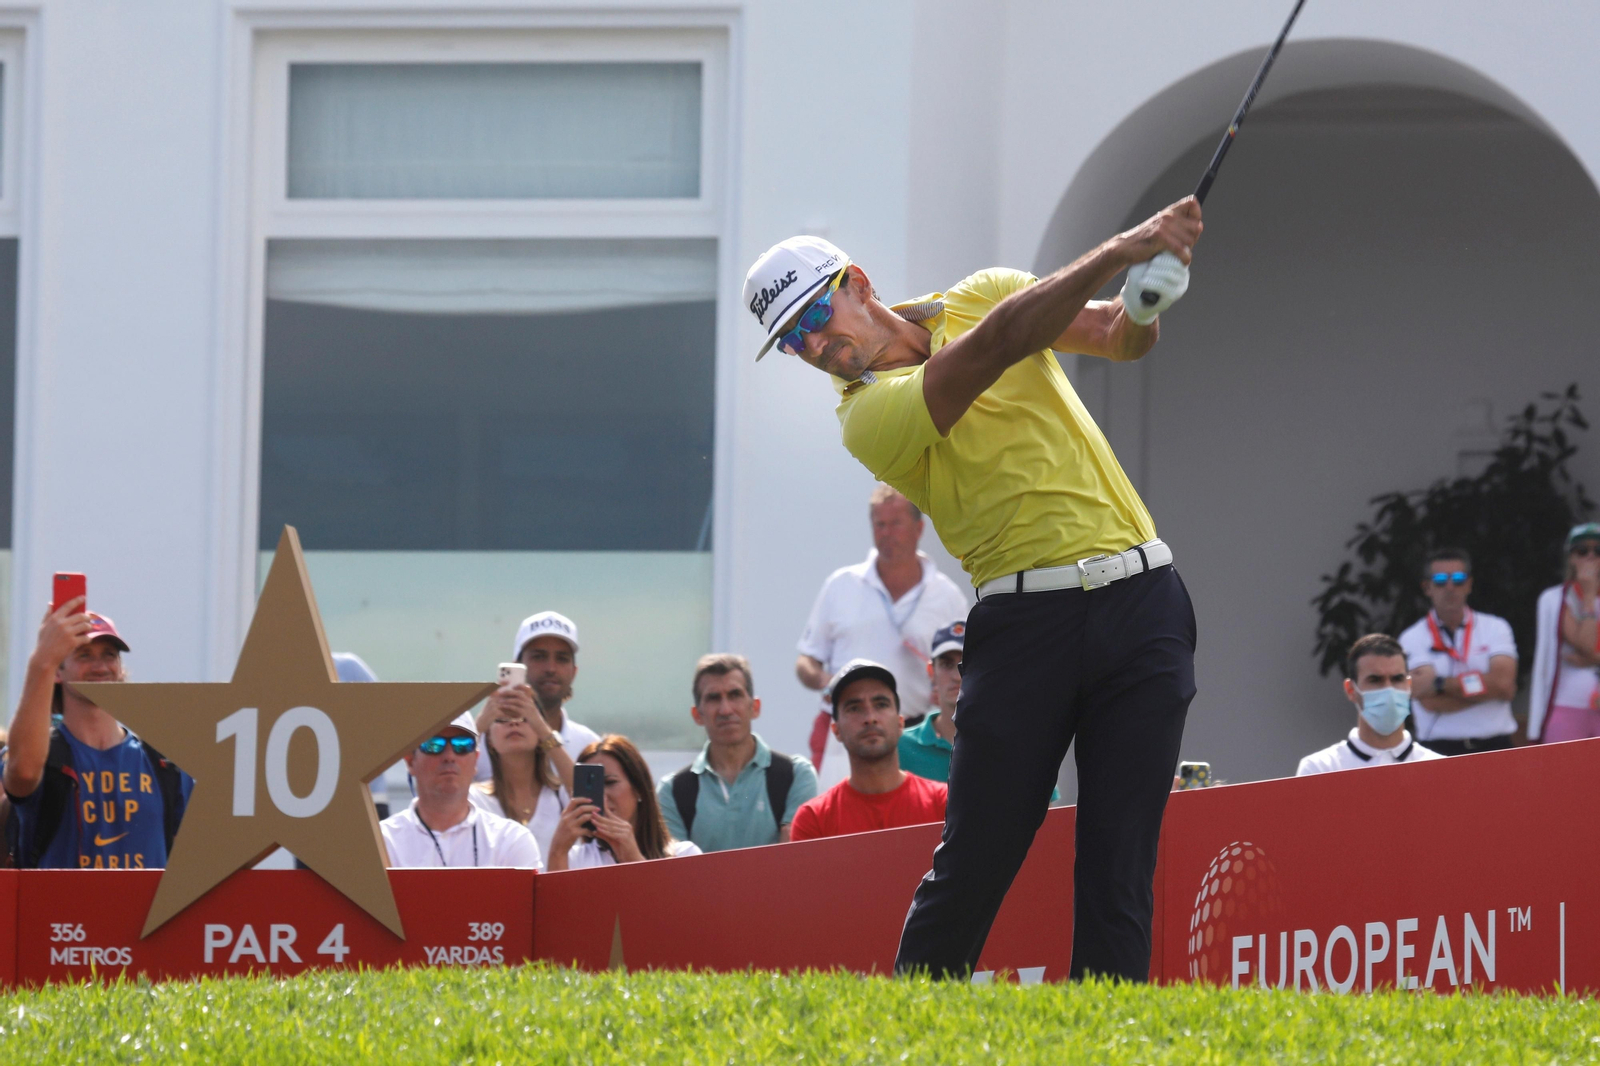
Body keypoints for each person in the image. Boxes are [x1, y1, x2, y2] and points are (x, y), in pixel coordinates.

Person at [744, 197, 1202, 980]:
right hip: (1027, 628)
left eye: (817, 313)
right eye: (794, 340)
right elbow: (995, 348)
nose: (818, 344)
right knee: (978, 858)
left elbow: (1117, 339)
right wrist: (1121, 248)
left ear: (857, 283)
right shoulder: (865, 417)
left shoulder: (985, 290)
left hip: (1143, 598)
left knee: (1119, 864)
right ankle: (909, 1034)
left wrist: (1147, 295)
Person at [796, 485, 969, 782]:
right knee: (835, 823)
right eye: (880, 524)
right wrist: (827, 681)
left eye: (896, 523)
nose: (886, 533)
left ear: (919, 528)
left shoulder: (947, 596)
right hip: (843, 730)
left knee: (910, 823)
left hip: (916, 734)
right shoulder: (841, 585)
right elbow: (806, 662)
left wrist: (943, 688)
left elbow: (966, 663)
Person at [2, 602, 192, 869]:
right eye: (84, 655)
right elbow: (22, 774)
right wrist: (41, 661)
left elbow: (208, 853)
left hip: (147, 912)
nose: (100, 666)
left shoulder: (163, 762)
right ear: (58, 671)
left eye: (109, 654)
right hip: (60, 910)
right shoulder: (44, 755)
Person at [658, 654, 818, 852]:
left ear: (755, 707)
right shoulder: (672, 791)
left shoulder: (796, 775)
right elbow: (676, 873)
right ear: (697, 715)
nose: (725, 709)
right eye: (713, 698)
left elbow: (793, 861)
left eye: (735, 695)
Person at [788, 661, 947, 842]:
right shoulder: (814, 820)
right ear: (836, 730)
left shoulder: (944, 804)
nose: (870, 718)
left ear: (900, 723)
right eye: (854, 708)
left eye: (880, 704)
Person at [1397, 548, 1519, 755]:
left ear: (1469, 584)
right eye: (1441, 580)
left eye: (1459, 579)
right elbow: (1429, 701)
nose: (1450, 587)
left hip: (1496, 747)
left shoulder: (1496, 627)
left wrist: (1439, 684)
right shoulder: (1411, 638)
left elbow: (1504, 686)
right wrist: (1487, 690)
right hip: (1439, 750)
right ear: (1427, 587)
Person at [380, 712, 541, 869]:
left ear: (476, 760)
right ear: (410, 762)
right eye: (434, 744)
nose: (449, 756)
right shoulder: (382, 842)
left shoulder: (510, 840)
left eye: (462, 745)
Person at [475, 610, 600, 781]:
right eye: (539, 657)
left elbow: (595, 803)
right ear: (517, 666)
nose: (551, 668)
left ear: (574, 671)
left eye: (562, 658)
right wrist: (478, 727)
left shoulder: (589, 746)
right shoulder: (481, 741)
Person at [1297, 634, 1444, 775]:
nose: (1389, 689)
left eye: (1397, 679)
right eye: (1375, 680)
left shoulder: (1440, 769)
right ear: (1351, 690)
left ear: (1409, 685)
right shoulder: (1319, 769)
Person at [547, 735, 700, 870]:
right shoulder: (574, 859)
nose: (602, 797)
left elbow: (672, 903)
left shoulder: (684, 856)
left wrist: (633, 860)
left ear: (639, 788)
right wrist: (557, 851)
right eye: (592, 788)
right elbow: (555, 903)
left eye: (610, 782)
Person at [469, 687, 575, 861]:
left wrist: (543, 729)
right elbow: (436, 788)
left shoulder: (560, 796)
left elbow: (589, 796)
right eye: (502, 718)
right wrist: (479, 724)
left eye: (524, 717)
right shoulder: (474, 798)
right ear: (488, 739)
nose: (514, 723)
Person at [1530, 523, 1600, 742]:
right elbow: (1585, 644)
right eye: (1582, 551)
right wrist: (1589, 597)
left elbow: (1589, 652)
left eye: (1598, 551)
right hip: (1566, 705)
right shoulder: (1554, 599)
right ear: (1571, 557)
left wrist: (1593, 659)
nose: (1590, 557)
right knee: (1565, 774)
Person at [896, 622, 963, 782]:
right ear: (931, 671)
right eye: (947, 664)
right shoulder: (900, 747)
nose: (957, 676)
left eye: (965, 664)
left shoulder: (999, 743)